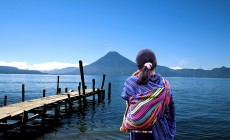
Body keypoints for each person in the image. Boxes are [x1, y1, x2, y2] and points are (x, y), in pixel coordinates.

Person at [120, 49, 176, 140]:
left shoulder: (131, 82)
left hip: (138, 133)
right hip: (160, 132)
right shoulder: (165, 84)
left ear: (138, 64)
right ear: (155, 64)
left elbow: (125, 95)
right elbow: (170, 112)